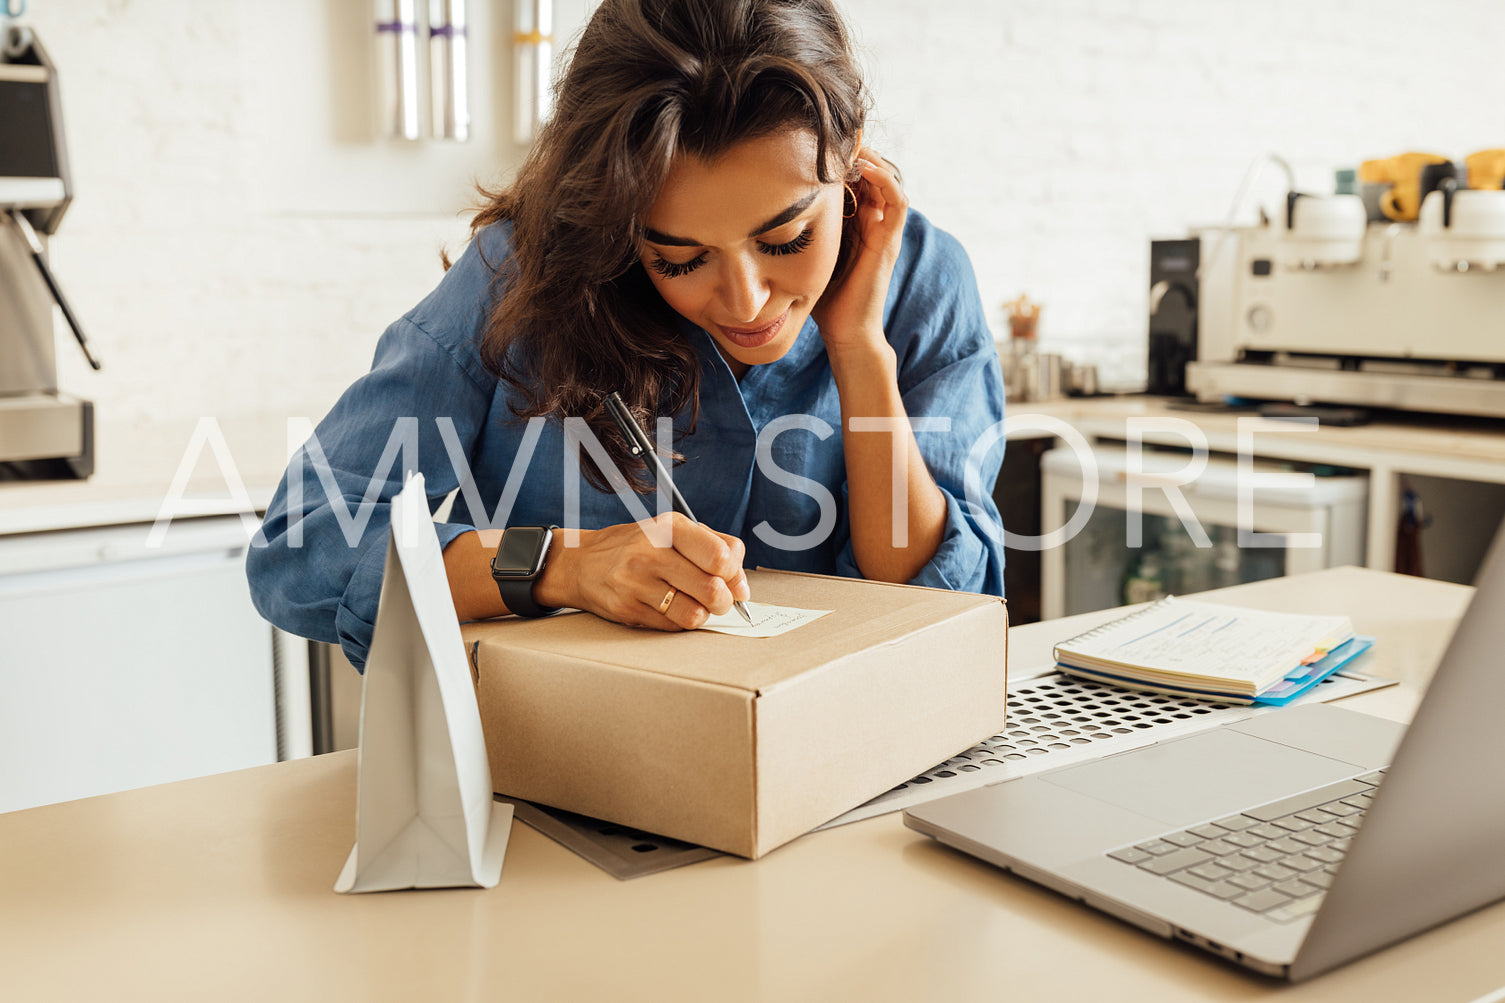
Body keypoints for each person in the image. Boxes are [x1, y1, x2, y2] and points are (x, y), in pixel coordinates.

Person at [247, 0, 1006, 670]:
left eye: (786, 239)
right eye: (678, 258)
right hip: (565, 777)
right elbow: (300, 547)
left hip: (840, 769)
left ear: (850, 156)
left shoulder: (920, 277)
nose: (746, 301)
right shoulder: (522, 273)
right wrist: (559, 565)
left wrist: (859, 349)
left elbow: (932, 594)